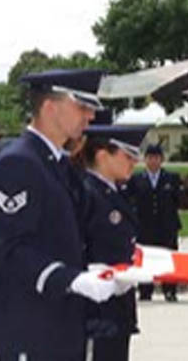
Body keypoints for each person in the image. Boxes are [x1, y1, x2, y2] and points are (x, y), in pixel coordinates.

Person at [0, 69, 129, 361]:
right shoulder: (19, 163)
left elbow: (76, 230)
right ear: (49, 107)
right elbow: (12, 248)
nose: (90, 116)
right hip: (26, 323)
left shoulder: (56, 163)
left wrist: (119, 265)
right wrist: (70, 279)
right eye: (82, 106)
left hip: (56, 323)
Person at [74, 120, 149, 361]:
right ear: (103, 155)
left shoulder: (112, 192)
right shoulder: (86, 193)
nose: (134, 162)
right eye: (128, 156)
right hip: (97, 309)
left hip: (117, 307)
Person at [126, 143, 183, 302]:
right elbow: (129, 201)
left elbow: (177, 200)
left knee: (169, 259)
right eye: (150, 158)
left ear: (162, 160)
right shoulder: (136, 179)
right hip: (144, 226)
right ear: (145, 160)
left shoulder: (171, 178)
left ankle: (170, 290)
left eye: (156, 158)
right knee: (146, 259)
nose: (153, 161)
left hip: (167, 226)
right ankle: (145, 290)